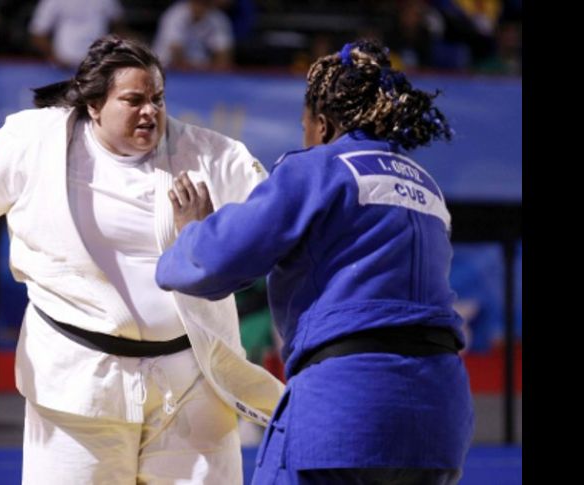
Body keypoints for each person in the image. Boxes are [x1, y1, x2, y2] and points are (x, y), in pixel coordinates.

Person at [0, 35, 283, 484]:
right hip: (78, 381)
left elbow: (272, 224)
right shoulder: (37, 141)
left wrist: (208, 234)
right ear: (94, 105)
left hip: (190, 378)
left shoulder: (211, 154)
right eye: (134, 100)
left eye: (157, 98)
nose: (151, 111)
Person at [156, 39, 474, 484]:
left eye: (304, 126)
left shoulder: (320, 167)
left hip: (348, 402)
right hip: (440, 412)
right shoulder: (426, 187)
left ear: (322, 125)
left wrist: (191, 230)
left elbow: (213, 263)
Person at [28, 0, 127, 68]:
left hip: (96, 64)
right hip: (63, 67)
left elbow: (119, 28)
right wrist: (54, 57)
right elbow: (37, 34)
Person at [152, 0, 234, 70]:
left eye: (204, 3)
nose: (199, 6)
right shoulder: (174, 15)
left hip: (202, 72)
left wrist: (213, 71)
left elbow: (224, 56)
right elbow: (176, 56)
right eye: (197, 2)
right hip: (168, 69)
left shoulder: (218, 19)